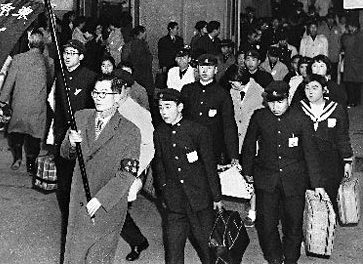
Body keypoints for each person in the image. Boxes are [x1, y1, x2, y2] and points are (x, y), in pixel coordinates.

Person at [242, 81, 325, 264]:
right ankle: (274, 258)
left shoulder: (301, 118)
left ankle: (291, 259)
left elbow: (310, 152)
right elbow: (249, 145)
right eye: (271, 103)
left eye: (279, 102)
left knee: (293, 225)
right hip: (266, 179)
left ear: (287, 98)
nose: (275, 107)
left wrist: (317, 183)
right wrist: (247, 171)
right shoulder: (259, 117)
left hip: (294, 180)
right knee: (267, 224)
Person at [60, 74, 140, 264]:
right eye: (96, 92)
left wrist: (101, 199)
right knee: (74, 258)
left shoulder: (130, 131)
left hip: (107, 207)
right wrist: (70, 144)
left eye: (105, 93)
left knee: (97, 259)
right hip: (79, 201)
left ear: (118, 96)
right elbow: (65, 154)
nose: (98, 97)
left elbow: (127, 173)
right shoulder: (80, 117)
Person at [154, 88, 223, 264]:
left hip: (199, 199)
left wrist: (216, 196)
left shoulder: (198, 131)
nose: (163, 112)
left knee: (207, 245)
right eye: (161, 107)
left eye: (168, 107)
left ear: (180, 107)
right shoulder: (160, 132)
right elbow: (160, 163)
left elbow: (209, 166)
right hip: (174, 199)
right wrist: (163, 189)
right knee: (173, 248)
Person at [53, 39, 97, 246]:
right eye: (65, 52)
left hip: (84, 138)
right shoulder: (60, 77)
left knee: (83, 184)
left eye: (72, 53)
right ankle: (69, 222)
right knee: (64, 186)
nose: (67, 56)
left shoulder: (90, 78)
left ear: (81, 56)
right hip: (64, 138)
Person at [112, 68, 154, 262]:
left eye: (118, 88)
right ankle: (137, 240)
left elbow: (149, 145)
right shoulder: (107, 106)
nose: (113, 92)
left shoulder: (138, 113)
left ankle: (137, 241)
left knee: (115, 207)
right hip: (109, 165)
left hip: (129, 170)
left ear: (127, 90)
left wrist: (135, 172)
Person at [0, 31, 54, 174]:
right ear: (42, 45)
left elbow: (9, 83)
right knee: (34, 135)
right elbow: (49, 82)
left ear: (29, 43)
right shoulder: (48, 61)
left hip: (19, 102)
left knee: (16, 131)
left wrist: (2, 101)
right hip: (38, 103)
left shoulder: (18, 59)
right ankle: (31, 165)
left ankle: (17, 159)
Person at [298, 74, 353, 207]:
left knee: (330, 196)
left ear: (324, 90)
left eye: (315, 87)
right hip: (304, 159)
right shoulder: (298, 108)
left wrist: (347, 161)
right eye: (307, 88)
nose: (310, 91)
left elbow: (342, 137)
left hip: (330, 160)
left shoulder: (336, 109)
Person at [181, 54, 239, 166]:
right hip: (189, 145)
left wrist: (233, 155)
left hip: (212, 148)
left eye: (209, 68)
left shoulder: (222, 94)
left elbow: (229, 126)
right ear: (197, 69)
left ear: (216, 70)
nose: (205, 71)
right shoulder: (188, 90)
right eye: (202, 67)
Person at [227, 64, 264, 228]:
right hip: (238, 141)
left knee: (253, 178)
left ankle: (253, 212)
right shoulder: (232, 92)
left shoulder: (260, 92)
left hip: (255, 143)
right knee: (243, 177)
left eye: (233, 82)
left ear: (240, 80)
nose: (231, 85)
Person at [125, 25, 154, 99]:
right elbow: (141, 59)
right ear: (141, 33)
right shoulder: (139, 44)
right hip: (142, 73)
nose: (146, 35)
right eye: (145, 32)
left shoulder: (132, 43)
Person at [341, 19, 363, 108]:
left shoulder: (352, 37)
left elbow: (344, 42)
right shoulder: (361, 35)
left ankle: (351, 101)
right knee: (357, 84)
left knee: (350, 83)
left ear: (352, 27)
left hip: (351, 63)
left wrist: (345, 33)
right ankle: (357, 101)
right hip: (359, 63)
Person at [318, 12, 342, 79]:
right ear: (326, 19)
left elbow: (340, 41)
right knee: (324, 72)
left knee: (334, 73)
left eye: (332, 19)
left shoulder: (338, 29)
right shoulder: (321, 28)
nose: (330, 20)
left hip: (334, 54)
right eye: (329, 19)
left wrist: (338, 50)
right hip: (324, 54)